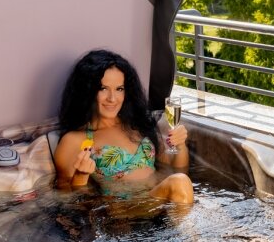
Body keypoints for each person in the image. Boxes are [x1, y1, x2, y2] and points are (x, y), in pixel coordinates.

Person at [54, 49, 193, 204]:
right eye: (103, 88)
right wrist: (81, 176)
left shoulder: (138, 124)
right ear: (87, 90)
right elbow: (67, 201)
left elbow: (174, 169)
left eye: (119, 89)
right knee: (180, 181)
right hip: (124, 210)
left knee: (180, 180)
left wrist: (180, 145)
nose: (112, 98)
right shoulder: (74, 140)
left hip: (159, 201)